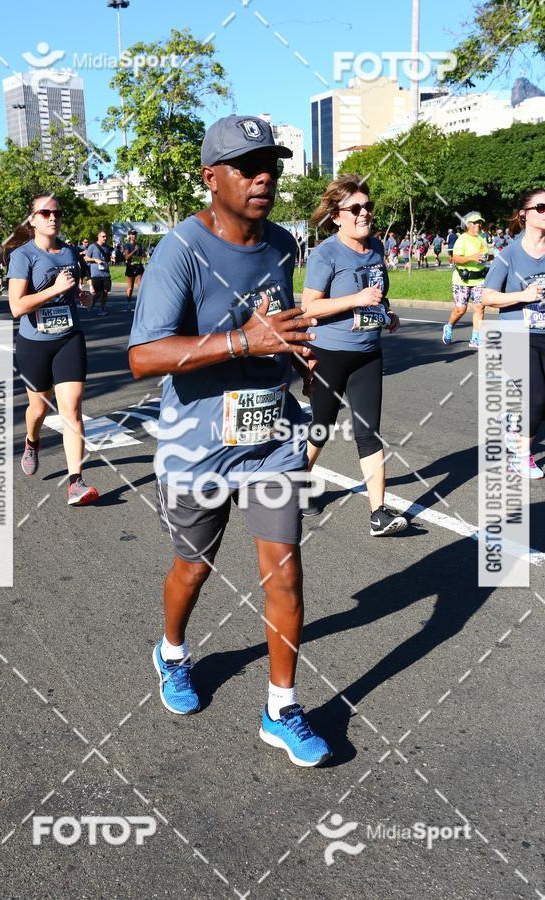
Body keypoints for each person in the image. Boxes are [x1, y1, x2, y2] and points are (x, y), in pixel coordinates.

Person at [128, 114, 332, 768]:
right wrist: (248, 341)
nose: (263, 176)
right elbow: (143, 356)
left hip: (269, 439)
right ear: (211, 178)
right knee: (194, 567)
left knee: (287, 574)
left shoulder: (281, 244)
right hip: (197, 447)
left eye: (270, 162)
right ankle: (173, 652)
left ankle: (282, 707)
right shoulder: (177, 250)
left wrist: (295, 354)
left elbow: (276, 320)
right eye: (247, 166)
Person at [300, 173, 408, 537]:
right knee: (321, 428)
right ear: (336, 216)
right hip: (329, 353)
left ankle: (378, 512)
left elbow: (377, 294)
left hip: (367, 353)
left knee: (369, 433)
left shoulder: (376, 248)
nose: (365, 214)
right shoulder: (325, 253)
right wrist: (355, 301)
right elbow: (310, 308)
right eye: (356, 208)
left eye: (368, 207)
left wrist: (386, 314)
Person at [6, 193, 99, 505]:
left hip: (69, 339)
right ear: (32, 219)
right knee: (40, 408)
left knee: (72, 409)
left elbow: (73, 294)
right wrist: (54, 289)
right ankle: (32, 440)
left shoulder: (70, 252)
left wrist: (81, 298)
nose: (52, 217)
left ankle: (76, 482)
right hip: (35, 343)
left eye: (56, 213)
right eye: (44, 213)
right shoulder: (23, 256)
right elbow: (17, 307)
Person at [482, 187, 545, 479]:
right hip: (515, 336)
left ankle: (515, 424)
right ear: (524, 215)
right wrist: (524, 296)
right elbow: (487, 297)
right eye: (541, 207)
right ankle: (522, 458)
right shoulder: (509, 253)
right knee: (536, 397)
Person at [442, 212, 491, 349]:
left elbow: (485, 255)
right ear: (467, 224)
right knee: (460, 309)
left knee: (479, 308)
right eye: (475, 223)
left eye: (479, 222)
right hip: (462, 280)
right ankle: (449, 326)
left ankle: (475, 338)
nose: (478, 225)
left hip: (479, 279)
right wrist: (472, 257)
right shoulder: (462, 239)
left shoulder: (482, 238)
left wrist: (490, 257)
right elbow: (455, 259)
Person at [85, 230, 112, 316]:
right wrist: (95, 260)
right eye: (103, 236)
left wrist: (110, 260)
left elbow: (107, 259)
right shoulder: (92, 247)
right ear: (98, 237)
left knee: (105, 291)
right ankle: (91, 304)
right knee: (97, 293)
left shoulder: (106, 247)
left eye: (106, 236)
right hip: (96, 273)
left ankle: (101, 309)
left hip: (106, 273)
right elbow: (86, 258)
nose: (105, 238)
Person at [123, 228, 145, 312]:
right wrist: (135, 250)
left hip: (139, 267)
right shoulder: (127, 245)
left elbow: (143, 255)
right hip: (130, 267)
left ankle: (141, 304)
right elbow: (126, 257)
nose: (133, 236)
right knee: (130, 287)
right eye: (131, 234)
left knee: (141, 286)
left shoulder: (140, 245)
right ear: (129, 236)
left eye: (134, 234)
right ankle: (128, 304)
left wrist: (143, 257)